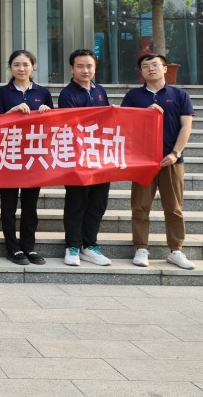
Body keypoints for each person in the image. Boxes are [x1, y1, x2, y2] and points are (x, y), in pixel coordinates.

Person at [122, 53, 196, 270]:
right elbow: (124, 124)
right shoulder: (133, 96)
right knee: (140, 207)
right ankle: (141, 248)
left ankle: (176, 250)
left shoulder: (179, 95)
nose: (151, 69)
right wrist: (144, 114)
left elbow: (186, 126)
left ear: (165, 68)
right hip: (143, 162)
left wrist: (175, 153)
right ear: (141, 72)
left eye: (155, 65)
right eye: (146, 66)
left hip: (171, 160)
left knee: (174, 208)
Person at [0, 49, 53, 266]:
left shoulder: (42, 92)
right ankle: (12, 248)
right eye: (16, 65)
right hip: (9, 155)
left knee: (30, 206)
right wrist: (13, 111)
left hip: (34, 156)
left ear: (32, 67)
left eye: (26, 64)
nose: (21, 69)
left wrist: (47, 112)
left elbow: (53, 125)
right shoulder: (4, 92)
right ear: (10, 67)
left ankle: (29, 247)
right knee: (8, 206)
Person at [58, 49, 113, 267]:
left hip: (101, 157)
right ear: (72, 68)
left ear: (95, 68)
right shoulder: (67, 94)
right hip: (77, 158)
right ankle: (72, 245)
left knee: (98, 203)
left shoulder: (100, 91)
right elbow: (72, 125)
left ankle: (90, 245)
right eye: (80, 66)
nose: (85, 70)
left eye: (89, 66)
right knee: (76, 202)